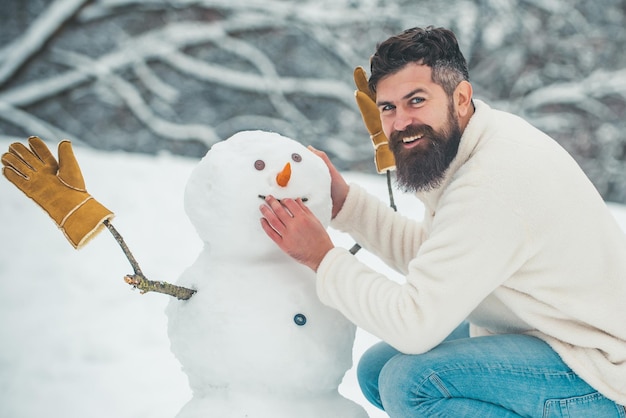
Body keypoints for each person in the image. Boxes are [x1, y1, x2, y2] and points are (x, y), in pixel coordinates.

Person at [259, 26, 626, 417]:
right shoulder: (478, 142)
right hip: (543, 331)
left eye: (416, 100)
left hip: (599, 370)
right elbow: (446, 260)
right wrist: (347, 205)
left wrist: (321, 258)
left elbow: (413, 324)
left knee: (410, 382)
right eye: (388, 108)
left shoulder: (493, 181)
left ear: (461, 98)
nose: (400, 123)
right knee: (377, 369)